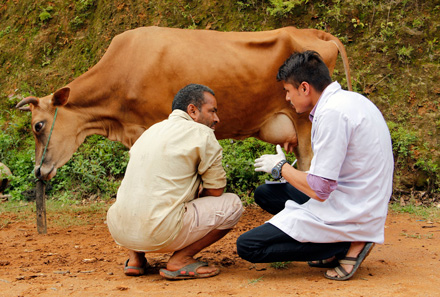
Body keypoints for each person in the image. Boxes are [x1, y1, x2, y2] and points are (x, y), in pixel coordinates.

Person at [236, 51, 394, 281]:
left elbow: (320, 190)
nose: (287, 99)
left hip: (352, 209)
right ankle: (340, 240)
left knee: (248, 246)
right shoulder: (350, 100)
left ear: (304, 88)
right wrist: (289, 174)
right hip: (357, 198)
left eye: (288, 91)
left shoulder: (332, 114)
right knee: (266, 193)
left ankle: (341, 246)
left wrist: (282, 168)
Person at [107, 84, 244, 280]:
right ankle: (181, 260)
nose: (216, 119)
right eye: (212, 111)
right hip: (161, 232)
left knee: (142, 194)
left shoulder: (151, 131)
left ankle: (135, 259)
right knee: (233, 204)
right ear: (192, 110)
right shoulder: (203, 134)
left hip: (119, 229)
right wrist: (195, 200)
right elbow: (215, 191)